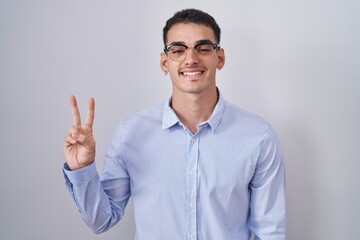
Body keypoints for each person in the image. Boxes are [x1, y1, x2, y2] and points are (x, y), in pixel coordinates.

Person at [63, 8, 286, 240]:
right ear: (164, 62)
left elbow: (269, 232)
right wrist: (83, 169)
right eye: (178, 50)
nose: (191, 59)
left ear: (219, 58)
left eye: (203, 48)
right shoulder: (129, 133)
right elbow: (101, 220)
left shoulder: (258, 137)